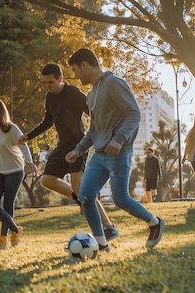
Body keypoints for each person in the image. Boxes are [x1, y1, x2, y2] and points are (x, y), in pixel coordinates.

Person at [64, 48, 165, 251]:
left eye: (75, 70)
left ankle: (155, 222)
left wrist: (119, 139)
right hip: (99, 155)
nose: (74, 76)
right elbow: (94, 130)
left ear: (85, 65)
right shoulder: (91, 96)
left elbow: (133, 114)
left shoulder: (114, 83)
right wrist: (79, 149)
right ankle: (101, 244)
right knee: (85, 196)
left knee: (120, 199)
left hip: (119, 153)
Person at [19, 63, 119, 240]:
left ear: (60, 79)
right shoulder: (49, 98)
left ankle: (109, 227)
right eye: (44, 83)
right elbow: (48, 122)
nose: (47, 86)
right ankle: (77, 197)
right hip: (62, 145)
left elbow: (93, 113)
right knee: (47, 181)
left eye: (50, 82)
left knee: (84, 192)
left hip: (77, 145)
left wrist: (108, 133)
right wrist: (29, 136)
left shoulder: (73, 93)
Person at [0, 99, 38, 250]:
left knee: (8, 204)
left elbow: (23, 144)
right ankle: (15, 230)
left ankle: (2, 239)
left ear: (1, 113)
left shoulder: (12, 129)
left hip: (15, 171)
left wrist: (30, 161)